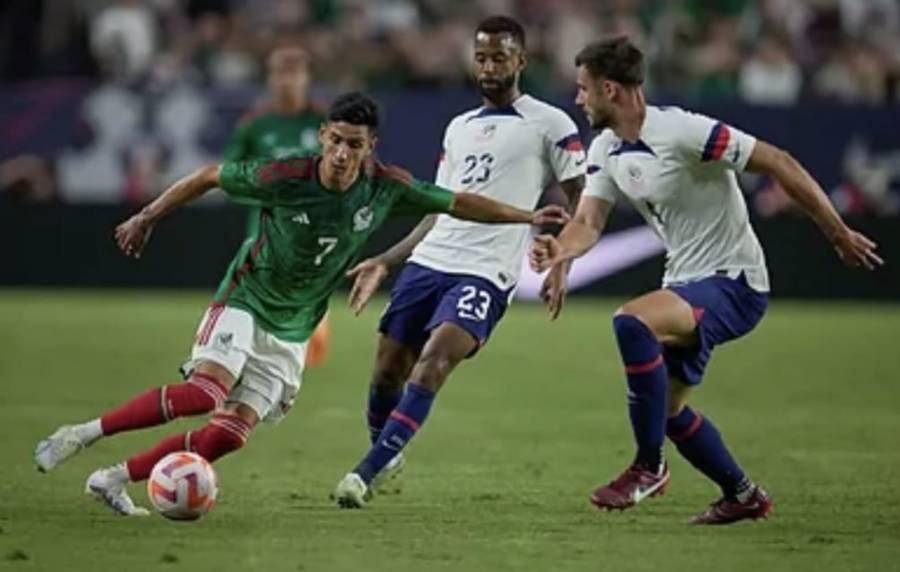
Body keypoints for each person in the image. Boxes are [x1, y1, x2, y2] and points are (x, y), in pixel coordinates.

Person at [33, 92, 568, 516]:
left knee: (230, 434)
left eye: (354, 144)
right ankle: (80, 435)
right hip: (247, 296)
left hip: (295, 324)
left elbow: (459, 202)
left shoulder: (386, 187)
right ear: (322, 137)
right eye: (335, 141)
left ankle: (113, 478)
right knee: (203, 393)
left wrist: (528, 217)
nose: (342, 154)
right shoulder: (285, 176)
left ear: (370, 146)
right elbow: (209, 175)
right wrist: (147, 216)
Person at [530, 37, 883, 525]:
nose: (578, 99)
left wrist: (837, 233)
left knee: (632, 322)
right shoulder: (606, 148)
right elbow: (588, 223)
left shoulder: (684, 131)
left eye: (583, 89)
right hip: (685, 282)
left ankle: (648, 467)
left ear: (610, 89)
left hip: (734, 282)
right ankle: (742, 495)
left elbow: (778, 161)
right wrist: (559, 252)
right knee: (668, 411)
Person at [333, 15, 586, 508]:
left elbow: (584, 199)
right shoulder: (459, 127)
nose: (489, 67)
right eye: (481, 58)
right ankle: (386, 451)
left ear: (521, 60)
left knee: (434, 363)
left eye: (499, 58)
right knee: (386, 374)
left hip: (486, 271)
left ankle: (364, 474)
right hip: (430, 262)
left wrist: (563, 261)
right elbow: (440, 207)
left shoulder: (551, 123)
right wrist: (387, 259)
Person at [224, 45, 332, 367]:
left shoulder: (324, 122)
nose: (287, 81)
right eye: (280, 73)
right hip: (266, 230)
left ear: (307, 78)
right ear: (269, 79)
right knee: (257, 304)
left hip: (315, 232)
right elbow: (228, 176)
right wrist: (265, 195)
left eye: (294, 73)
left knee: (304, 320)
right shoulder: (254, 125)